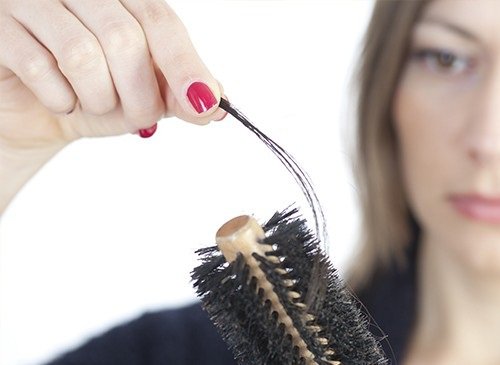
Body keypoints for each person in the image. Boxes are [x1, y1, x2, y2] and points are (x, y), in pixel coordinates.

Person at [2, 0, 500, 364]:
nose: (487, 138)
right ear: (388, 88)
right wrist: (8, 150)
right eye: (447, 58)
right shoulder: (177, 356)